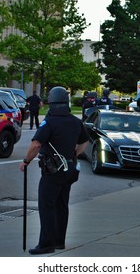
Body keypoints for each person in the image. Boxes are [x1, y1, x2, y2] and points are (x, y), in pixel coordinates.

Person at [19, 86, 89, 255]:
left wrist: (26, 161)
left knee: (47, 206)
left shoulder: (49, 122)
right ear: (66, 101)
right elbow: (84, 142)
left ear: (51, 101)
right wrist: (73, 155)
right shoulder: (75, 121)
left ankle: (46, 244)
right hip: (70, 169)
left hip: (53, 171)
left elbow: (36, 144)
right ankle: (59, 241)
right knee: (61, 205)